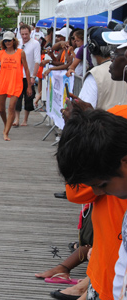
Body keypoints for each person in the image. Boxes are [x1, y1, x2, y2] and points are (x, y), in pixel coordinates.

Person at [57, 107, 127, 300]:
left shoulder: (116, 117)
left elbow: (76, 193)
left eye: (101, 185)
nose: (96, 192)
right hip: (107, 275)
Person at [0, 31, 32, 141]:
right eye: (6, 41)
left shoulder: (20, 53)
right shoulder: (1, 53)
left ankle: (6, 132)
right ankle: (6, 124)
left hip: (16, 83)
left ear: (14, 40)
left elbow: (26, 69)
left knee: (12, 108)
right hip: (3, 83)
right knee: (1, 109)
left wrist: (29, 86)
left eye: (10, 40)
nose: (8, 42)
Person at [14, 24, 40, 126]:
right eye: (22, 34)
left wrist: (33, 76)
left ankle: (25, 119)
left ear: (30, 33)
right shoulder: (17, 43)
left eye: (26, 34)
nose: (24, 36)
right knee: (17, 98)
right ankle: (16, 119)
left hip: (28, 76)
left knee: (28, 98)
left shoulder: (35, 43)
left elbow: (37, 61)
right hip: (18, 75)